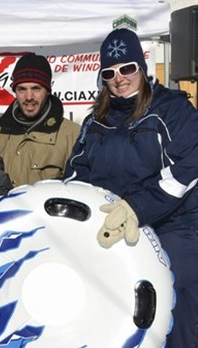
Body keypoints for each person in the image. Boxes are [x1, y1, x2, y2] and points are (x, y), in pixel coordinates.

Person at [64, 28, 198, 347]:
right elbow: (75, 175)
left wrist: (136, 208)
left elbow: (188, 168)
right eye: (110, 72)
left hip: (173, 226)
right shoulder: (96, 122)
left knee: (170, 295)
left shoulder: (173, 110)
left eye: (127, 68)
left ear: (141, 67)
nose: (119, 78)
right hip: (115, 227)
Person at [0, 52, 80, 187]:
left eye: (36, 88)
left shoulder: (72, 135)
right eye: (22, 89)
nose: (29, 97)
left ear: (48, 90)